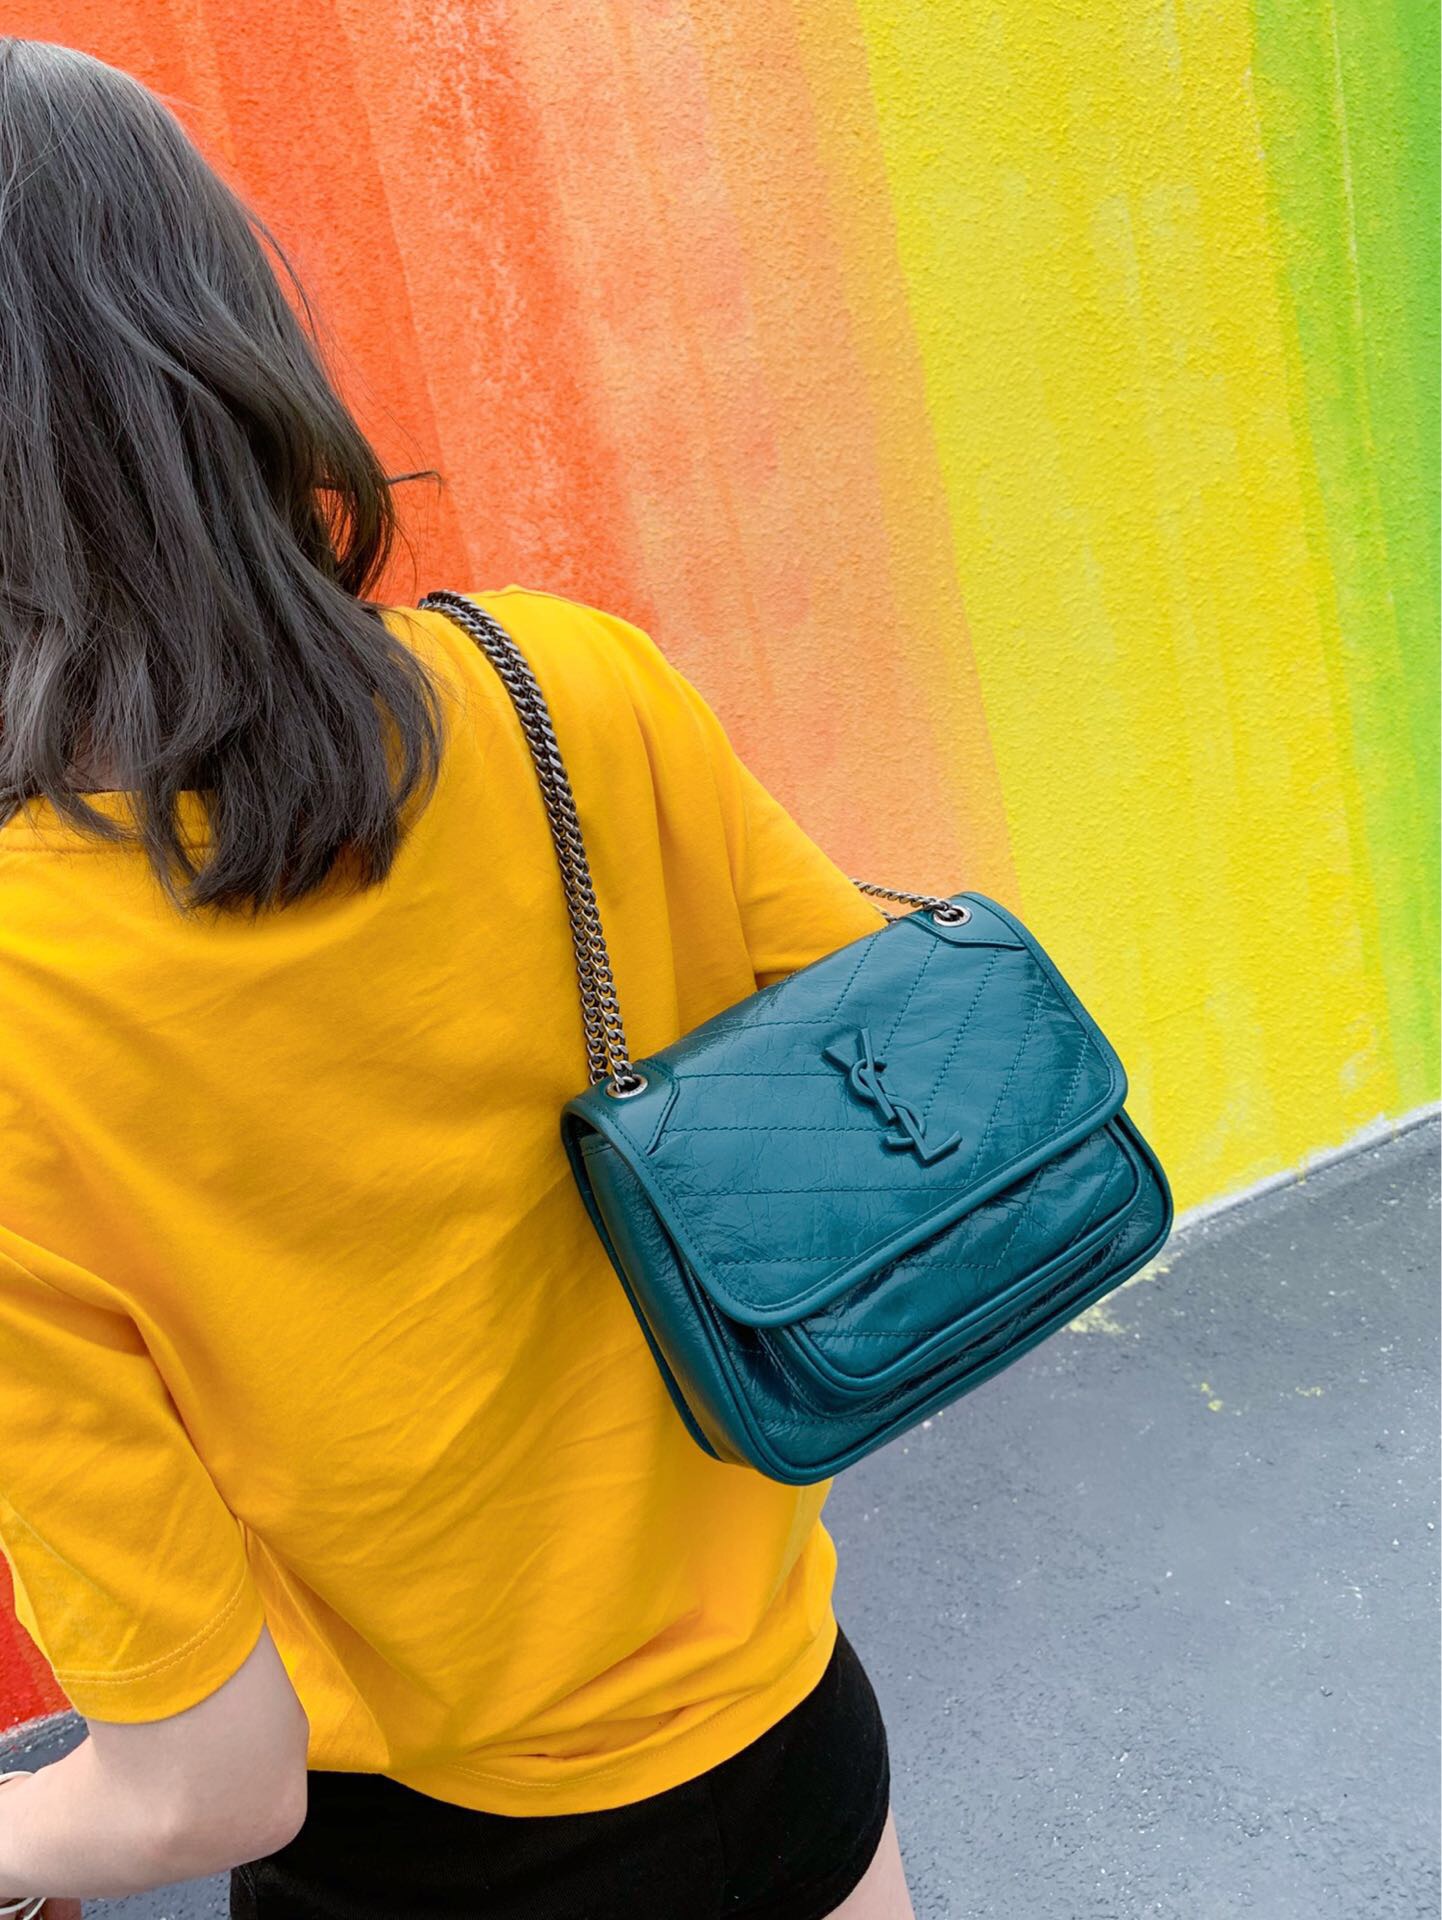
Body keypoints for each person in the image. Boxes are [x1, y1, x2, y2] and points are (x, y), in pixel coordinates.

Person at [0, 39, 916, 1920]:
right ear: (230, 345)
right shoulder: (566, 688)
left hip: (421, 1861)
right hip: (789, 1747)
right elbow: (879, 1077)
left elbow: (198, 1792)